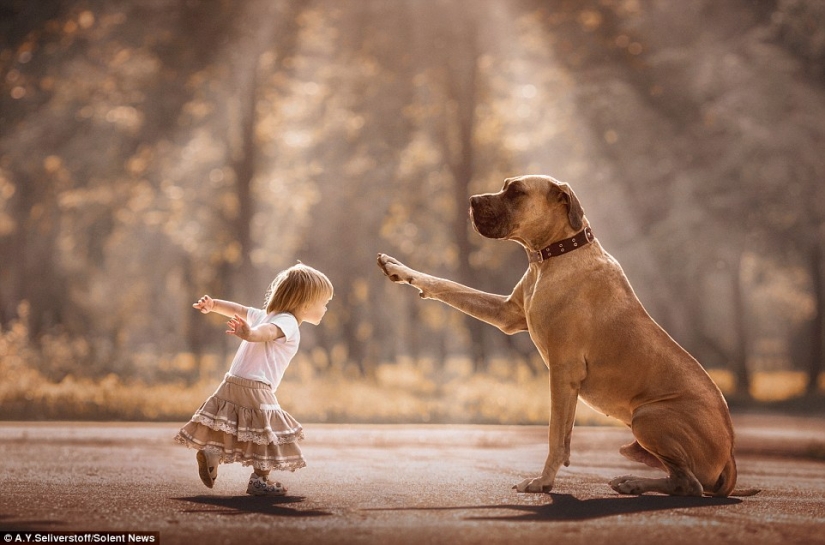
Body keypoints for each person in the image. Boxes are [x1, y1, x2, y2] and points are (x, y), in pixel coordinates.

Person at [175, 263, 333, 496]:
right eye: (324, 303)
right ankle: (260, 480)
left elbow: (238, 309)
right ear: (306, 303)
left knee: (231, 424)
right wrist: (250, 334)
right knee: (266, 436)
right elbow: (268, 332)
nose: (326, 308)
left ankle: (213, 453)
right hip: (257, 386)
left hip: (233, 381)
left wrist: (214, 305)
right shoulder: (288, 321)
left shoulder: (263, 315)